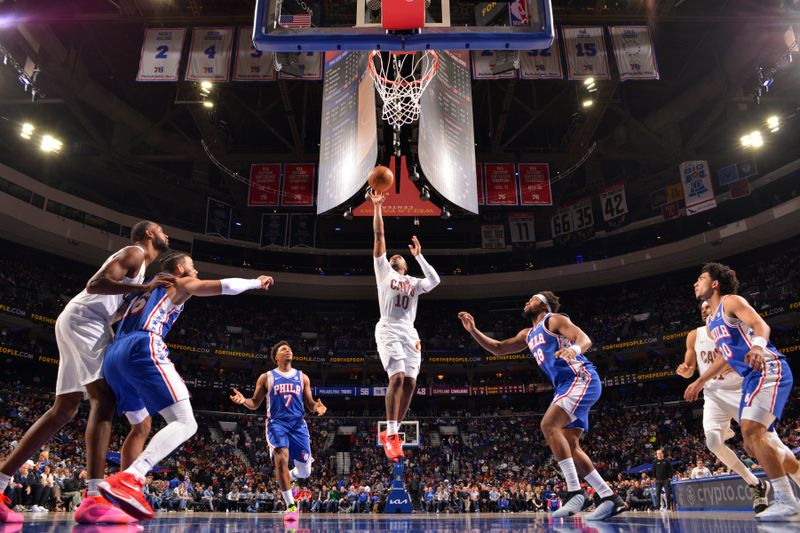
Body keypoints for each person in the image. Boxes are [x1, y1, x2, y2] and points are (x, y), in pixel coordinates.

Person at [0, 220, 172, 525]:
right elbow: (95, 284)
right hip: (85, 321)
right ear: (148, 234)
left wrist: (137, 300)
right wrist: (143, 288)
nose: (166, 234)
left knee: (63, 410)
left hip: (82, 320)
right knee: (102, 401)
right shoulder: (133, 252)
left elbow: (113, 306)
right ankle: (93, 499)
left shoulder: (141, 267)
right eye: (161, 229)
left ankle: (0, 485)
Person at [97, 252, 273, 520]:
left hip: (113, 357)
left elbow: (111, 321)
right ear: (180, 268)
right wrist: (255, 282)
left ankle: (118, 503)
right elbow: (221, 287)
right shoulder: (176, 282)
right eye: (193, 266)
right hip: (143, 345)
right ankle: (132, 476)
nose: (197, 271)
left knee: (141, 426)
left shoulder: (140, 290)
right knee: (185, 422)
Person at [458, 292, 625, 520]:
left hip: (579, 378)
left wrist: (573, 349)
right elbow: (498, 348)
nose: (527, 301)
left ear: (544, 304)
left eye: (533, 299)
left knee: (548, 425)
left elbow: (584, 338)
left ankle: (575, 492)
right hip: (565, 386)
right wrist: (473, 331)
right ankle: (610, 498)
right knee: (570, 445)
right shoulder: (527, 334)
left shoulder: (553, 320)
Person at [685, 262, 799, 521]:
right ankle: (789, 492)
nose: (695, 283)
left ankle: (786, 500)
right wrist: (700, 380)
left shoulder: (731, 301)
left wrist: (758, 347)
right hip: (751, 377)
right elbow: (725, 358)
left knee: (751, 432)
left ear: (714, 283)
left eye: (700, 278)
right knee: (753, 440)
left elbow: (761, 325)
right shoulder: (713, 323)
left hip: (768, 368)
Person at [676, 301, 771, 512]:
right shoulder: (694, 335)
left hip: (739, 389)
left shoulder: (731, 327)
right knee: (712, 442)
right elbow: (690, 368)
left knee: (768, 442)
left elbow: (738, 352)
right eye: (701, 310)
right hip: (713, 395)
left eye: (708, 308)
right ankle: (755, 483)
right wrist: (685, 370)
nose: (704, 312)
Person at [369, 190, 440, 461]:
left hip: (410, 333)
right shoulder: (383, 272)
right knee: (396, 378)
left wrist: (420, 257)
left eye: (399, 257)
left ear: (405, 264)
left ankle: (395, 433)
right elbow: (379, 236)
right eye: (392, 256)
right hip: (388, 327)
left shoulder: (413, 281)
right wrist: (378, 208)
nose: (394, 257)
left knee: (410, 383)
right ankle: (389, 432)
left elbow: (435, 281)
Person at [229, 341, 326, 524]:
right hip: (276, 424)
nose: (288, 350)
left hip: (298, 425)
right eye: (283, 349)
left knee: (306, 472)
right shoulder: (266, 377)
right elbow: (255, 403)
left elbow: (310, 403)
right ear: (276, 357)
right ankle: (290, 506)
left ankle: (291, 476)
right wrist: (243, 400)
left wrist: (317, 407)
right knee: (281, 458)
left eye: (289, 348)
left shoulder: (302, 377)